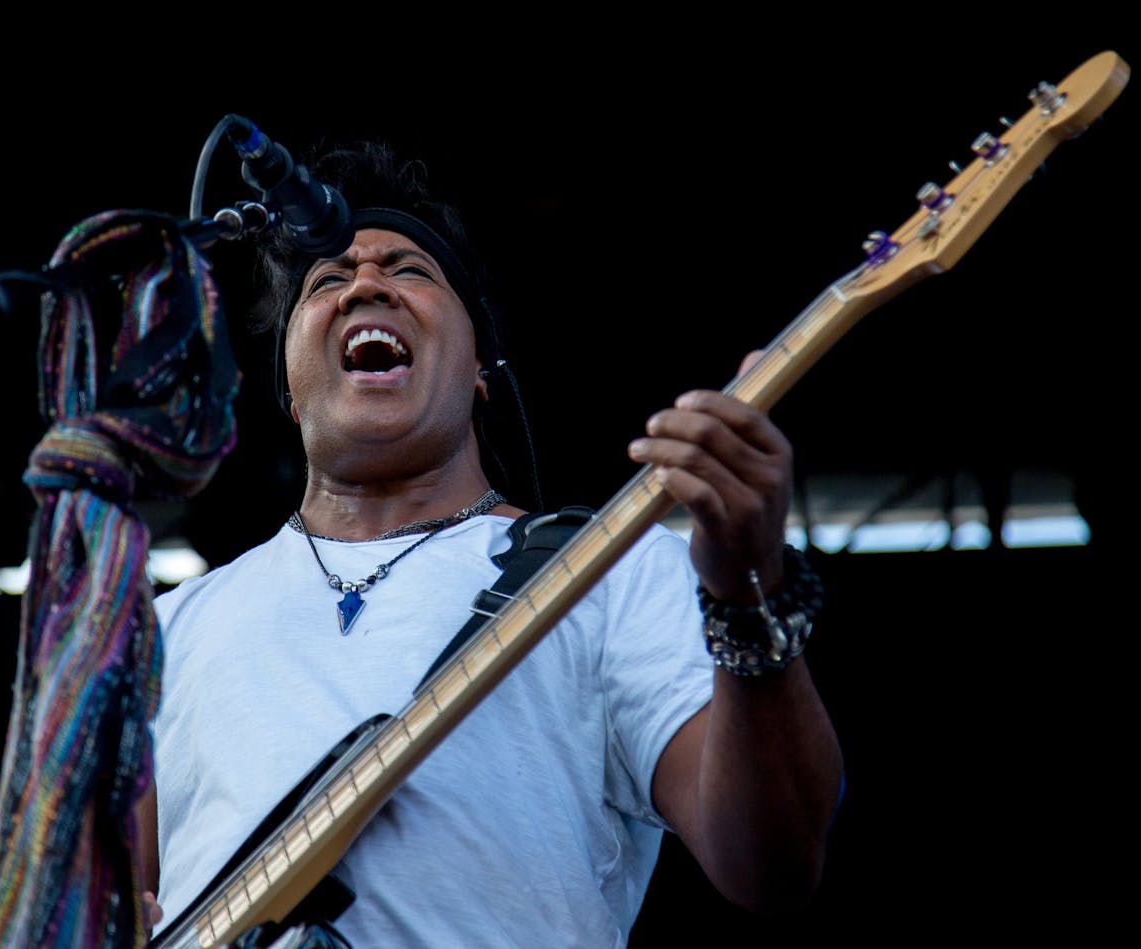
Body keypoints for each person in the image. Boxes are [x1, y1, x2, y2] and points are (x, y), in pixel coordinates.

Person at [136, 140, 844, 948]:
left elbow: (772, 864)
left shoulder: (610, 570)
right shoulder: (171, 625)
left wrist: (748, 596)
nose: (365, 283)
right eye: (326, 281)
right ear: (290, 391)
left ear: (478, 367)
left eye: (409, 270)